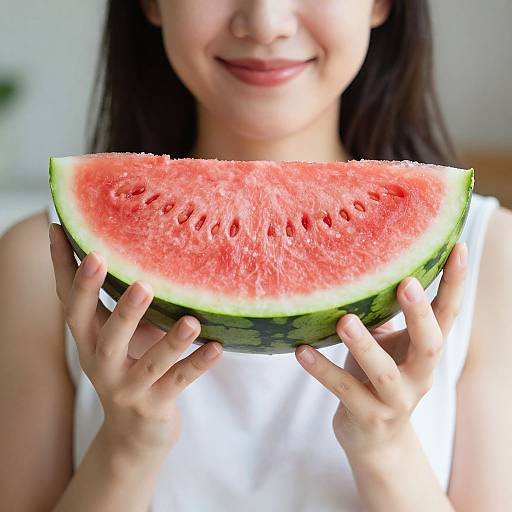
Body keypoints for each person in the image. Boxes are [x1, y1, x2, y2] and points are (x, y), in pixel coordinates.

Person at [0, 1, 510, 511]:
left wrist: (385, 445)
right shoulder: (36, 266)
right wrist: (127, 447)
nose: (266, 24)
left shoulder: (493, 258)